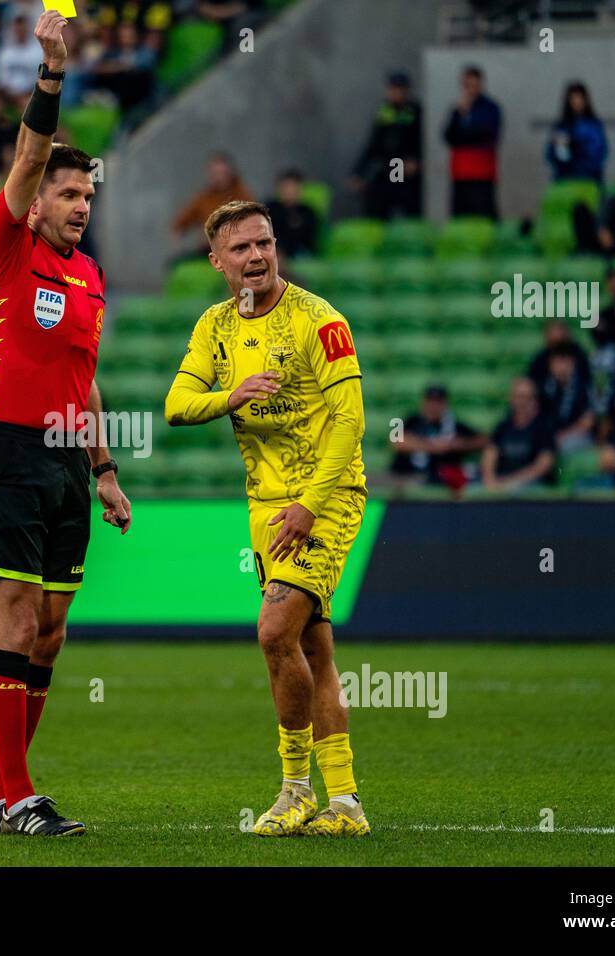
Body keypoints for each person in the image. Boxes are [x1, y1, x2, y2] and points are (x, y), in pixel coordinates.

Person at [0, 10, 131, 838]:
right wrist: (53, 71)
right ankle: (20, 793)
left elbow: (85, 380)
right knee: (17, 618)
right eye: (69, 192)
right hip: (6, 449)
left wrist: (104, 468)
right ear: (35, 203)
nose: (80, 204)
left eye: (88, 194)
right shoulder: (5, 246)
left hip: (68, 460)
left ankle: (1, 792)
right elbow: (30, 152)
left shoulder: (91, 277)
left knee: (53, 634)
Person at [165, 199, 371, 839]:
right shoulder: (215, 328)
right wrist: (231, 395)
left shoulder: (320, 320)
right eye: (241, 249)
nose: (256, 257)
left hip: (325, 498)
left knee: (274, 631)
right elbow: (175, 405)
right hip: (263, 505)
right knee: (313, 647)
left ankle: (294, 790)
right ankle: (347, 805)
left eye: (264, 243)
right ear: (217, 262)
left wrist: (311, 504)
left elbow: (352, 421)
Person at [348, 70, 421, 220]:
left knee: (404, 205)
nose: (394, 93)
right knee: (374, 201)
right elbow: (373, 145)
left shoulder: (415, 111)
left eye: (398, 89)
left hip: (403, 167)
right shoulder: (384, 111)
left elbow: (421, 141)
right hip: (388, 165)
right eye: (392, 89)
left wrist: (417, 161)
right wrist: (358, 172)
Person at [390, 385, 484, 488]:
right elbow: (395, 441)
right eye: (430, 401)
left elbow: (482, 440)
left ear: (445, 404)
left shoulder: (453, 424)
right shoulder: (412, 420)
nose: (434, 406)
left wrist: (458, 444)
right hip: (408, 474)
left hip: (439, 478)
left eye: (438, 402)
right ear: (423, 402)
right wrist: (433, 446)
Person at [443, 65, 501, 219]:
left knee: (483, 215)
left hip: (482, 173)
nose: (470, 89)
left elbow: (487, 135)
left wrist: (464, 135)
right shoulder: (457, 109)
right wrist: (459, 114)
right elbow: (448, 136)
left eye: (474, 85)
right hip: (460, 173)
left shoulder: (490, 108)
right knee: (461, 216)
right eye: (467, 85)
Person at [481, 378, 556, 492]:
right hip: (501, 482)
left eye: (527, 397)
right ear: (511, 399)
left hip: (530, 485)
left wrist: (510, 483)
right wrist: (490, 480)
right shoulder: (503, 427)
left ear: (535, 400)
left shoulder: (543, 428)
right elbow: (489, 455)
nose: (523, 402)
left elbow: (543, 465)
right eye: (519, 397)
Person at [545, 81, 607, 184]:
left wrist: (577, 148)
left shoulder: (593, 125)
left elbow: (598, 153)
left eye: (579, 98)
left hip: (588, 180)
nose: (576, 102)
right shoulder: (561, 126)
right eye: (573, 98)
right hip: (564, 180)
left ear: (585, 100)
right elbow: (552, 154)